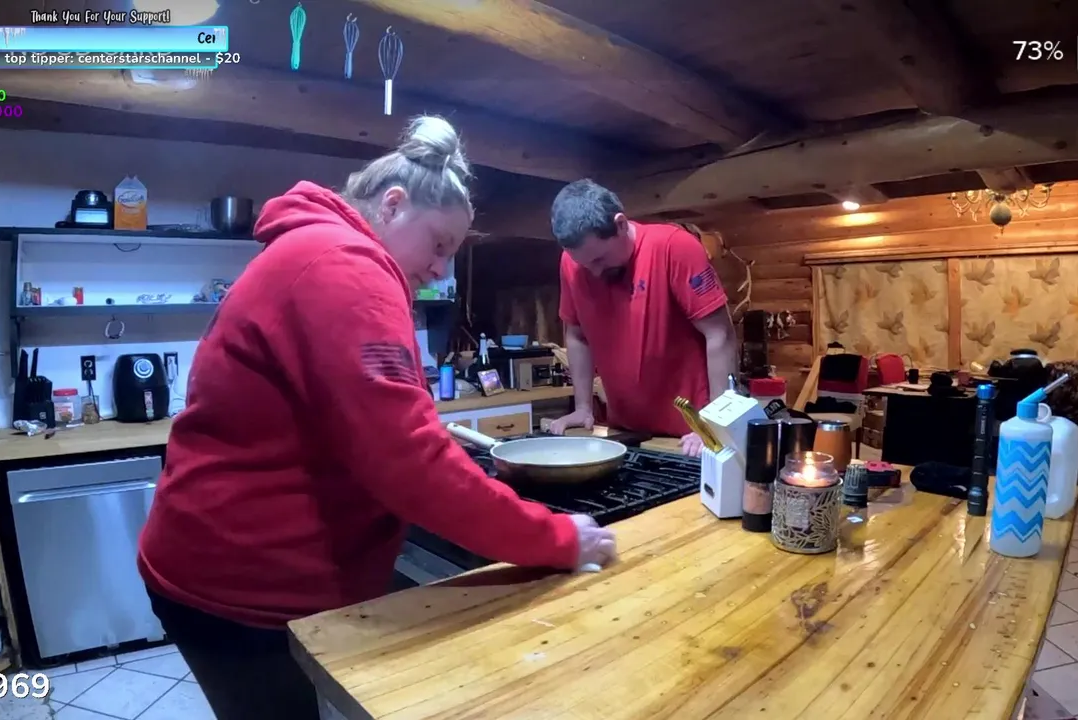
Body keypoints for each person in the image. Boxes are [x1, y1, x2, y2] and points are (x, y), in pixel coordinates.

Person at [138, 116, 617, 720]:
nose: (441, 268)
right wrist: (557, 538)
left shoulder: (315, 249)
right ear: (392, 206)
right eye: (439, 245)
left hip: (222, 566)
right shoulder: (346, 265)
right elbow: (409, 462)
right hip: (246, 583)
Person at [544, 179, 738, 457]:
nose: (594, 272)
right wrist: (583, 407)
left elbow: (720, 334)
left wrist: (715, 424)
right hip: (625, 433)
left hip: (690, 437)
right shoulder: (571, 264)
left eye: (599, 260)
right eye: (584, 264)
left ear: (621, 224)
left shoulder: (674, 247)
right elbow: (577, 335)